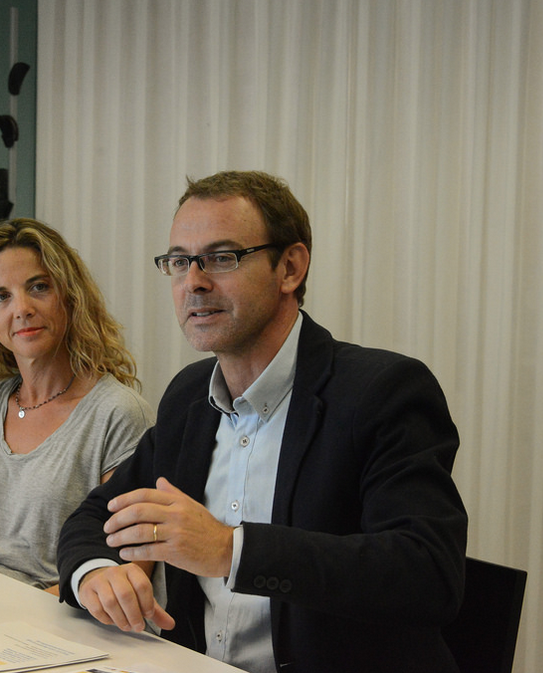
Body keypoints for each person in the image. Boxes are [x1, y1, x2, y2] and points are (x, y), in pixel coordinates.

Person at [57, 171, 468, 672]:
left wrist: (232, 550)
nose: (195, 282)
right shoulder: (189, 396)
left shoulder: (382, 391)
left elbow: (427, 573)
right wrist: (97, 573)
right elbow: (97, 516)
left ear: (290, 268)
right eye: (181, 262)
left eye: (222, 257)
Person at [0, 218, 154, 593]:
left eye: (38, 287)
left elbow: (123, 571)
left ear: (69, 296)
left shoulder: (118, 413)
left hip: (54, 626)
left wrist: (4, 618)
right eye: (1, 296)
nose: (21, 308)